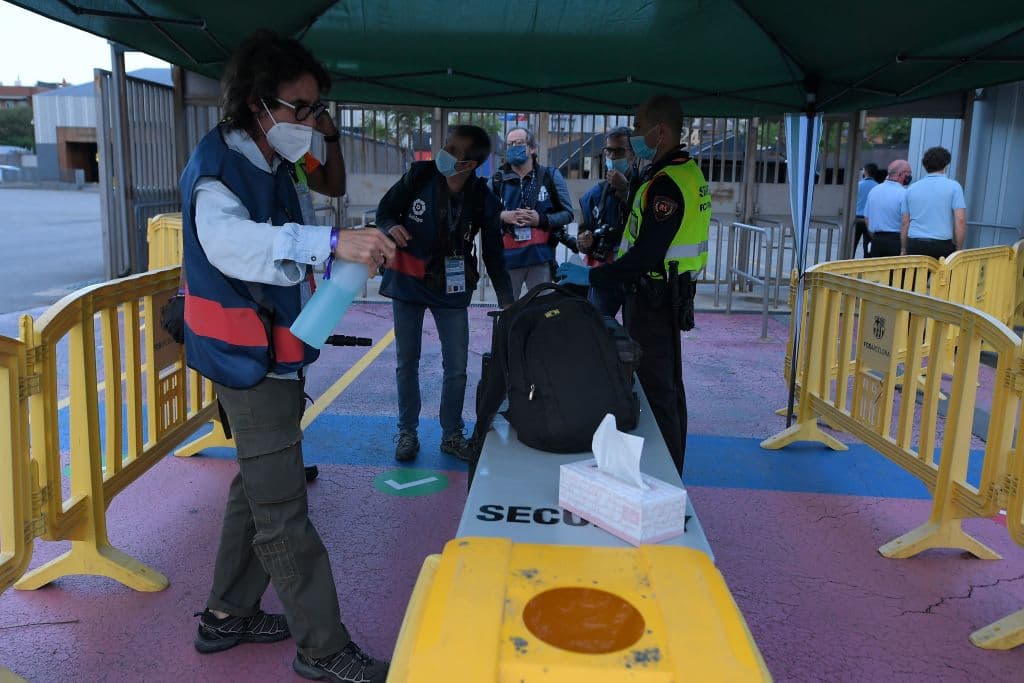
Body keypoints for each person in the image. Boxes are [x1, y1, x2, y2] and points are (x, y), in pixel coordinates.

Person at [180, 31, 393, 683]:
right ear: (255, 104)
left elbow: (304, 217)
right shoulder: (216, 173)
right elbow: (235, 246)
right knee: (281, 515)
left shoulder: (270, 162)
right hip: (246, 361)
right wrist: (333, 240)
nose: (312, 122)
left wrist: (340, 247)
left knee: (258, 482)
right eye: (300, 108)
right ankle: (323, 647)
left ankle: (227, 613)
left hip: (271, 352)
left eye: (316, 107)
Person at [556, 95, 710, 477]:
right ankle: (672, 470)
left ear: (661, 131)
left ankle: (666, 478)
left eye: (640, 127)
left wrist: (590, 276)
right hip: (666, 295)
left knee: (657, 392)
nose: (636, 133)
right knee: (669, 389)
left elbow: (644, 255)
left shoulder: (665, 186)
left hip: (655, 298)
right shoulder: (683, 173)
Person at [376, 125, 513, 462]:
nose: (443, 150)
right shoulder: (419, 176)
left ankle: (451, 433)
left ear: (468, 165)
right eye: (446, 144)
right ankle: (407, 430)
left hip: (451, 288)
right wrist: (389, 226)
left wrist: (507, 299)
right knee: (407, 361)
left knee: (457, 366)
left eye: (453, 148)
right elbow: (385, 211)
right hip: (407, 282)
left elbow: (494, 254)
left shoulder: (483, 199)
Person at [493, 127, 574, 299]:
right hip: (507, 259)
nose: (514, 147)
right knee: (508, 312)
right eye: (510, 144)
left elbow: (568, 214)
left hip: (540, 259)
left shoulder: (550, 176)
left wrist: (541, 219)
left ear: (532, 148)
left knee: (543, 312)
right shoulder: (497, 180)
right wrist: (503, 216)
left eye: (519, 143)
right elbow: (483, 215)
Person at [577, 126, 635, 316]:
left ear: (633, 155)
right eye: (608, 150)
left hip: (636, 274)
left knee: (636, 332)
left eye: (619, 151)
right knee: (597, 327)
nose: (612, 156)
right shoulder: (593, 196)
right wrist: (585, 242)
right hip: (604, 273)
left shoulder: (644, 188)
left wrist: (625, 191)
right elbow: (582, 236)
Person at [900, 146, 967, 259]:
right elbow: (960, 220)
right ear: (946, 165)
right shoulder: (954, 187)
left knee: (916, 277)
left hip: (915, 244)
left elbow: (905, 222)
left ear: (925, 166)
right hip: (941, 245)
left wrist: (903, 248)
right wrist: (959, 249)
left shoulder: (911, 189)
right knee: (942, 277)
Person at [864, 159, 911, 258]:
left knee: (876, 272)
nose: (910, 176)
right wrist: (903, 248)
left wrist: (874, 237)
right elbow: (905, 223)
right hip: (895, 242)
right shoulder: (904, 193)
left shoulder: (874, 191)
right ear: (901, 174)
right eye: (908, 173)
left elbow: (867, 218)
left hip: (876, 240)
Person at [853, 162, 880, 258]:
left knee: (852, 246)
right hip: (870, 220)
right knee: (868, 247)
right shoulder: (878, 187)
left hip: (856, 219)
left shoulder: (857, 185)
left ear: (865, 171)